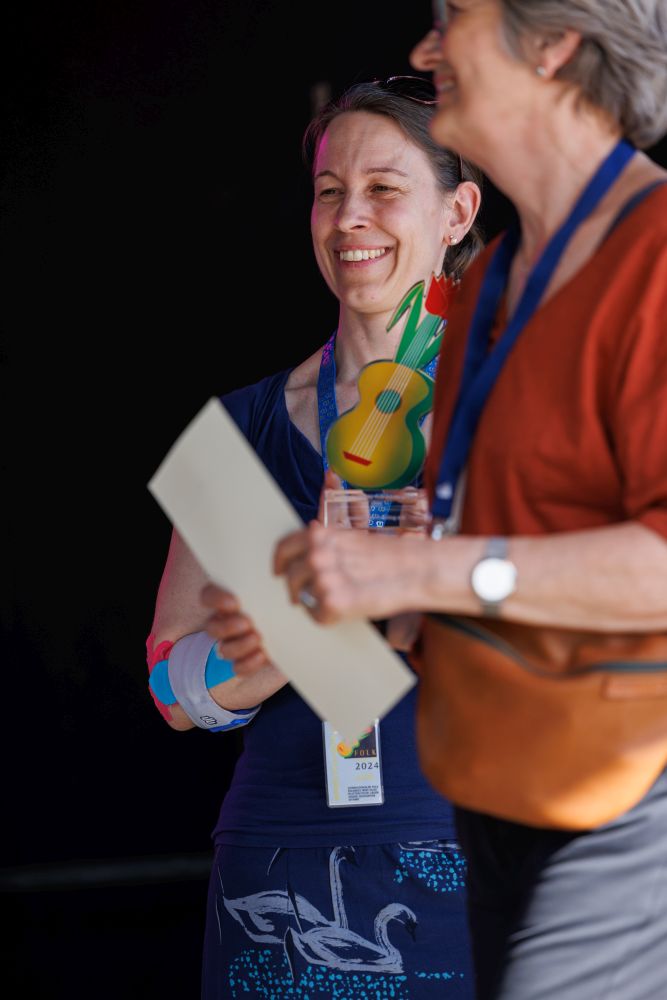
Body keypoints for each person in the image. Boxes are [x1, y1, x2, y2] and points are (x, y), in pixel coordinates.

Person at [204, 3, 667, 998]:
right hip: (477, 809)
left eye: (454, 18)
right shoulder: (499, 283)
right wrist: (328, 616)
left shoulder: (653, 252)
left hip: (609, 808)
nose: (425, 48)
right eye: (330, 192)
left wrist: (423, 569)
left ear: (554, 45)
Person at [148, 78, 483, 998]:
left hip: (497, 854)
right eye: (330, 191)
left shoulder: (533, 407)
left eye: (383, 189)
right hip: (283, 864)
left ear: (456, 213)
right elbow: (170, 687)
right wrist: (300, 619)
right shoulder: (242, 428)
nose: (349, 218)